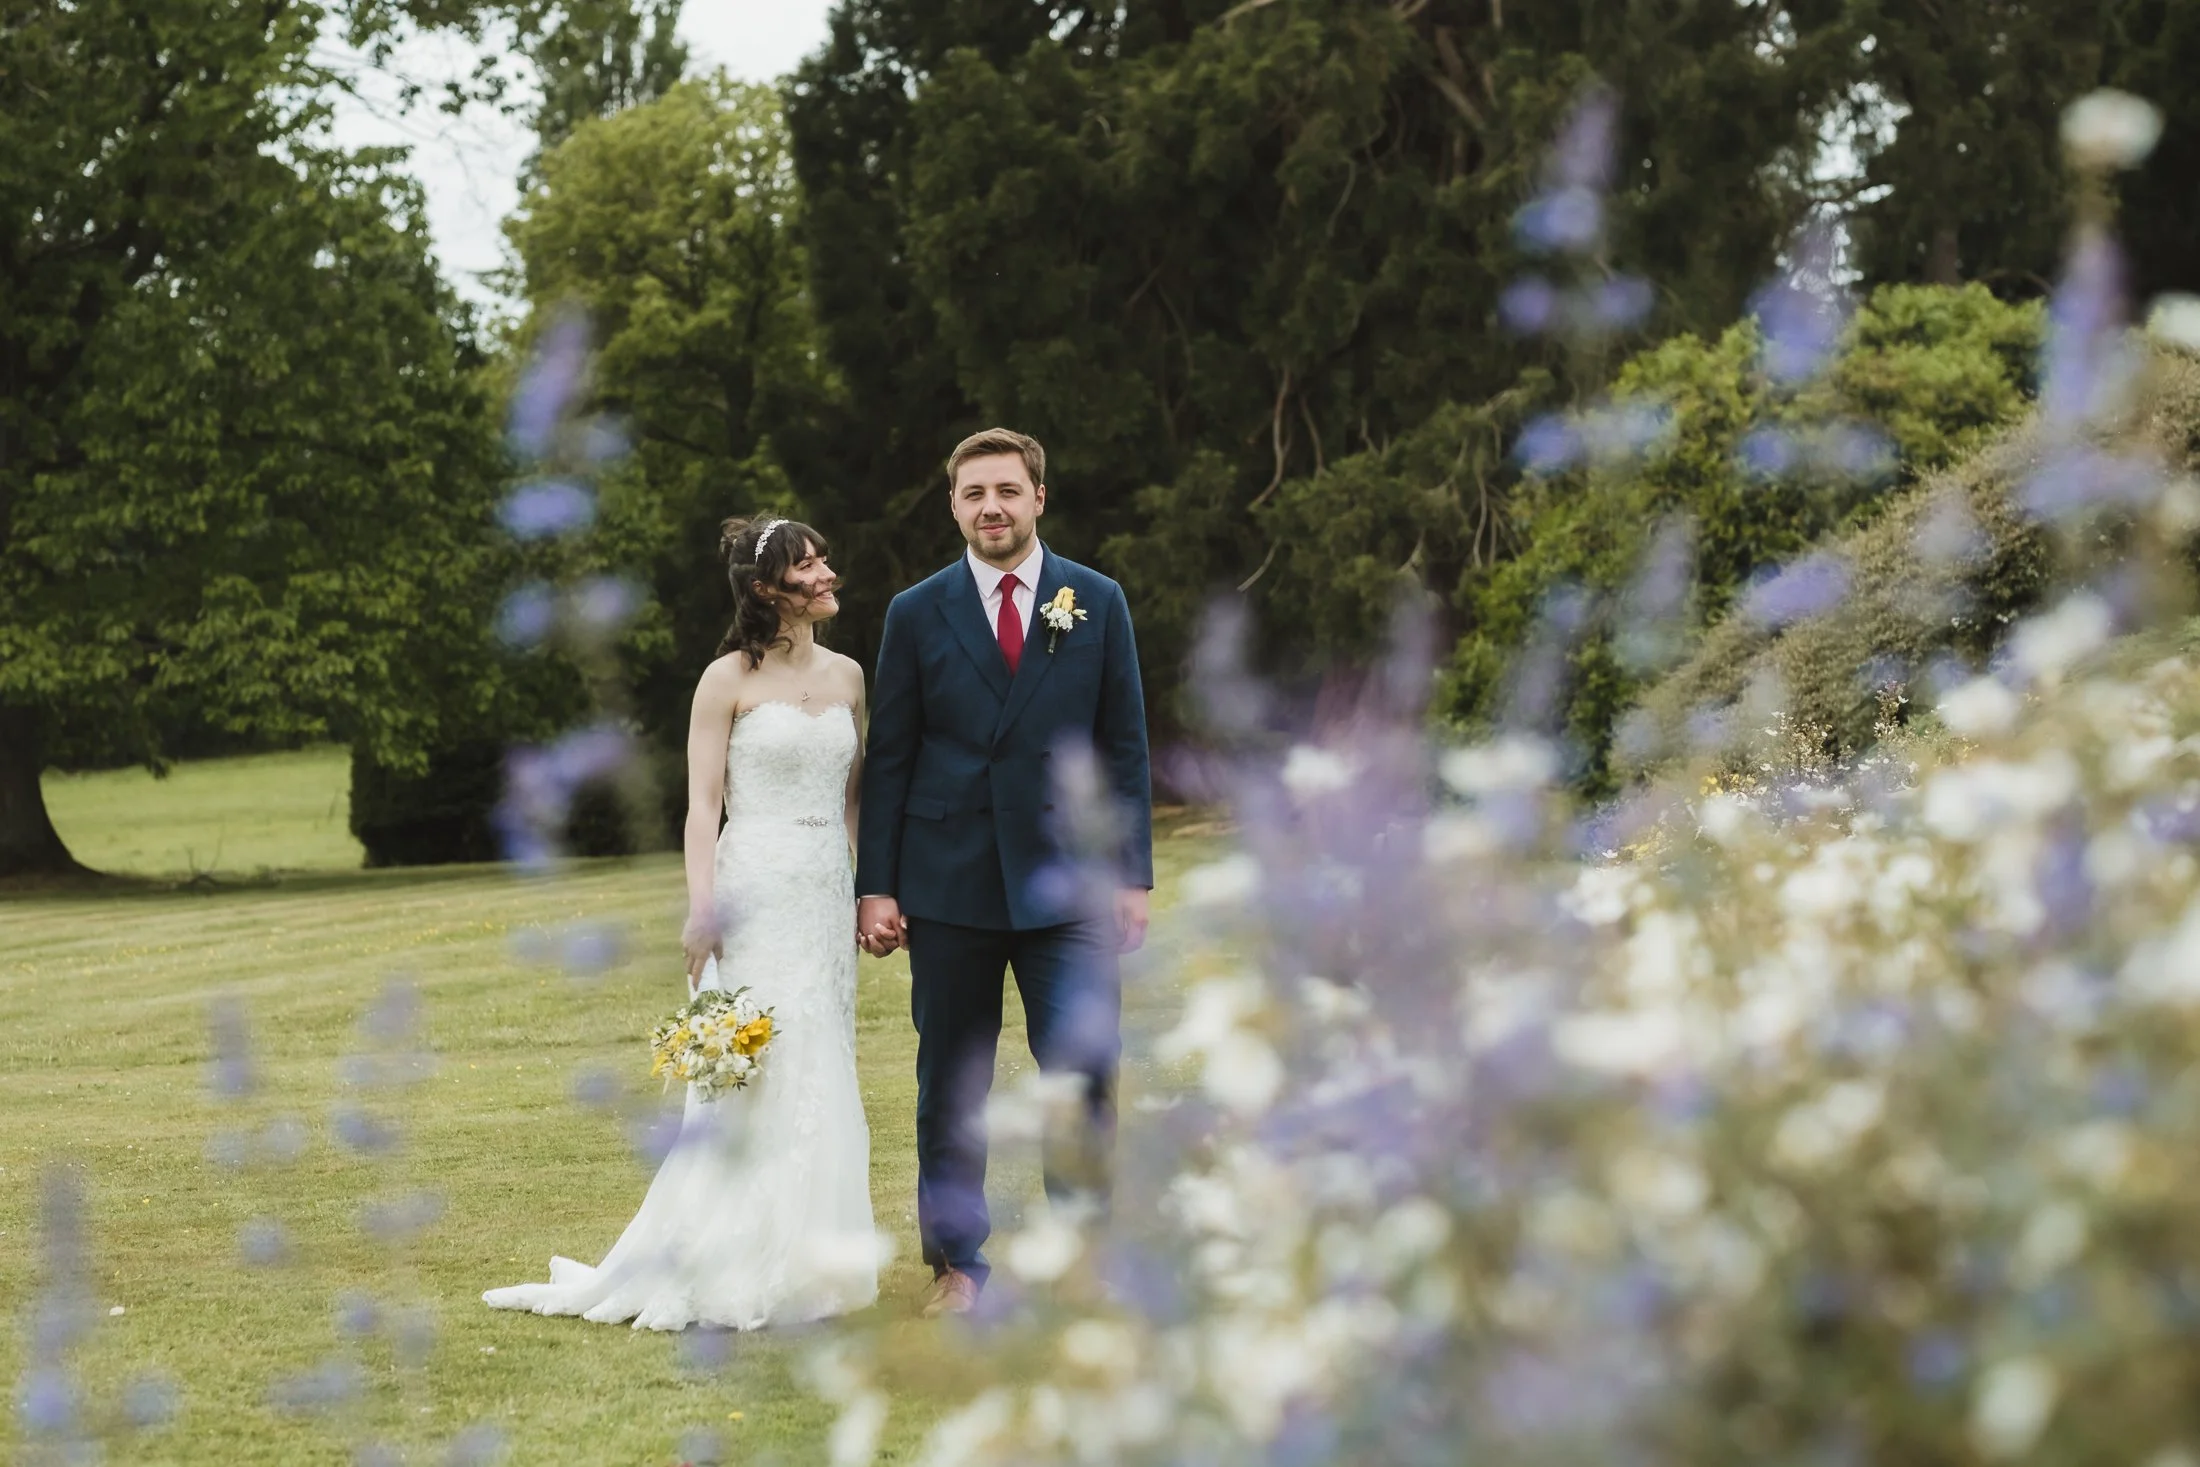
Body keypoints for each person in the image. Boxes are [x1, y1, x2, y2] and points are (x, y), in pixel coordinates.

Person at [485, 516, 878, 1331]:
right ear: (770, 589)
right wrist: (702, 907)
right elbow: (702, 808)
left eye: (824, 558)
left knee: (819, 1057)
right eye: (811, 565)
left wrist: (860, 888)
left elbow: (851, 802)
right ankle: (725, 1258)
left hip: (818, 893)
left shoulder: (847, 676)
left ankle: (810, 1262)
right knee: (753, 1065)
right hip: (751, 887)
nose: (829, 573)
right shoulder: (724, 679)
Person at [856, 427, 1154, 1319]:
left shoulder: (1095, 599)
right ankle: (958, 1264)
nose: (992, 506)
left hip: (1068, 886)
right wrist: (878, 883)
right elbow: (892, 758)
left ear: (1037, 499)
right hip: (948, 883)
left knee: (1083, 1066)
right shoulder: (916, 610)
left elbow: (1126, 748)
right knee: (952, 1080)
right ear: (953, 504)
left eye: (1008, 491)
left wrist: (1132, 874)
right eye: (974, 492)